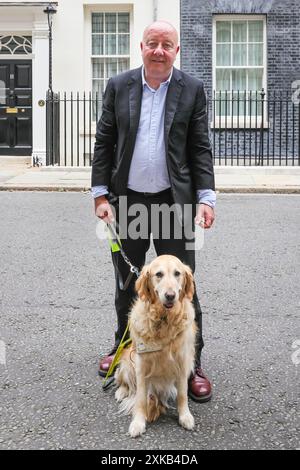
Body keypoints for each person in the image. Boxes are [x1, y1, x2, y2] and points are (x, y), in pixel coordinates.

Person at [91, 20, 216, 402]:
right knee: (129, 283)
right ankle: (125, 348)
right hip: (127, 199)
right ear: (141, 47)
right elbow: (105, 140)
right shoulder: (119, 86)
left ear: (176, 51)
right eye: (152, 43)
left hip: (173, 201)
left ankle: (191, 362)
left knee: (179, 286)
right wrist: (99, 194)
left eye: (167, 44)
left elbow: (199, 147)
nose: (159, 50)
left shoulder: (191, 89)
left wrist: (207, 197)